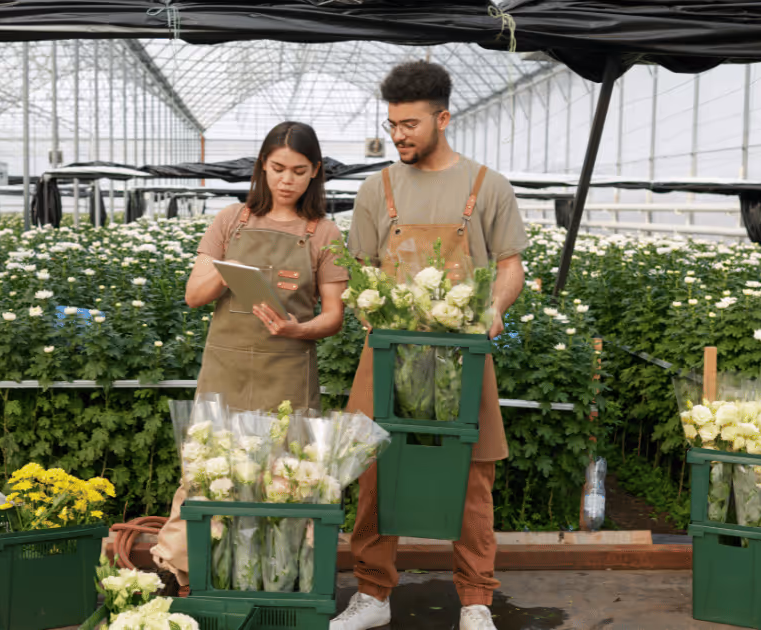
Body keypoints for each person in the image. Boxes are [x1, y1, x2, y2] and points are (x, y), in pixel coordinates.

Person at [330, 61, 528, 630]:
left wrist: (494, 309)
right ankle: (372, 595)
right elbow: (360, 268)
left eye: (410, 124)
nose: (399, 135)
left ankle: (475, 600)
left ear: (443, 118)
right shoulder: (377, 188)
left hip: (462, 360)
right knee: (373, 469)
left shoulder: (486, 186)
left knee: (472, 474)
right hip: (387, 354)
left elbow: (510, 266)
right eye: (393, 124)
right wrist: (369, 306)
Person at [151, 121, 350, 587]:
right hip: (225, 367)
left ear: (315, 173)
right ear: (262, 166)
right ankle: (191, 575)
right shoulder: (231, 220)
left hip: (288, 368)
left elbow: (334, 316)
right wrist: (230, 274)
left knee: (285, 477)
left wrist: (298, 328)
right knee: (208, 472)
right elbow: (194, 295)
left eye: (299, 171)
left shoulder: (324, 233)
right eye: (278, 168)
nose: (287, 180)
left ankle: (281, 580)